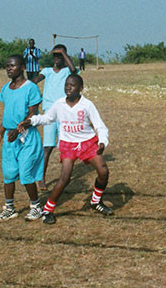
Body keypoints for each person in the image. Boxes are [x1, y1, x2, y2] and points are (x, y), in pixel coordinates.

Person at [19, 74, 112, 224]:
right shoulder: (59, 104)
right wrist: (32, 120)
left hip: (87, 143)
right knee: (65, 178)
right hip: (68, 145)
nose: (68, 87)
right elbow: (47, 118)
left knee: (103, 171)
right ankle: (48, 210)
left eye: (72, 85)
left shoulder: (87, 105)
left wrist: (102, 142)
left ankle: (95, 201)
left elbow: (100, 126)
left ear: (81, 88)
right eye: (67, 84)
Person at [0, 55, 44, 222]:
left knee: (26, 172)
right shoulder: (6, 88)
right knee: (9, 173)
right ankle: (9, 208)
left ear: (22, 67)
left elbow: (32, 114)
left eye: (12, 66)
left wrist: (18, 129)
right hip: (10, 138)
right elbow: (8, 115)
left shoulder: (31, 88)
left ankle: (36, 207)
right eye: (7, 66)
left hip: (27, 137)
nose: (8, 68)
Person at [32, 44, 78, 191]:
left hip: (64, 112)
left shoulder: (67, 71)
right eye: (55, 56)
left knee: (66, 146)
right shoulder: (47, 71)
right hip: (49, 112)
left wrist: (63, 53)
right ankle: (41, 178)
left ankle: (65, 175)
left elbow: (74, 71)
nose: (57, 59)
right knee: (48, 147)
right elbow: (33, 82)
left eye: (60, 56)